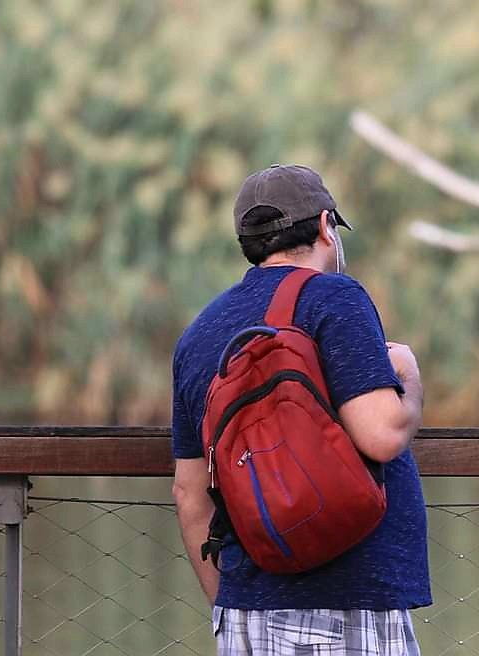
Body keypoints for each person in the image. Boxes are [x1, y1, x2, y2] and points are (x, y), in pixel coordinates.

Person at [171, 164, 430, 655]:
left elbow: (190, 493)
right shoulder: (334, 297)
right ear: (326, 226)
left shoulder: (200, 334)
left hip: (244, 611)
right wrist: (408, 376)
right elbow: (382, 432)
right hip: (346, 604)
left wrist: (228, 602)